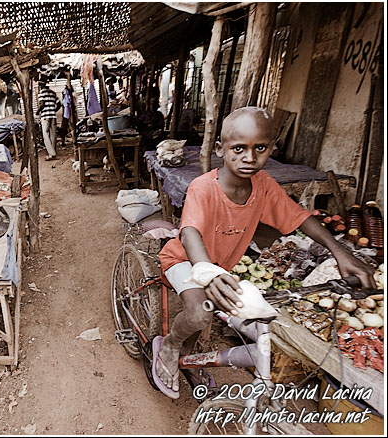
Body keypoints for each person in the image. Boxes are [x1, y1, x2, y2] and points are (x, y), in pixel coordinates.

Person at [152, 106, 376, 399]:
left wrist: (341, 252)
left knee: (231, 311)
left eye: (260, 148)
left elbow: (299, 217)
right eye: (239, 148)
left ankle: (188, 355)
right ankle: (169, 346)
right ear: (220, 149)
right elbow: (190, 231)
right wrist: (208, 272)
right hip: (184, 259)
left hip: (219, 265)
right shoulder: (203, 188)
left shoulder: (264, 186)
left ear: (272, 148)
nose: (249, 157)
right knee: (199, 311)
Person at [36, 81, 61, 161]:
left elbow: (42, 104)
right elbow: (59, 104)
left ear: (40, 85)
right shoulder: (53, 93)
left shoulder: (41, 92)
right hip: (53, 116)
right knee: (53, 135)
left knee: (46, 135)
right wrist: (53, 110)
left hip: (45, 117)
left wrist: (37, 111)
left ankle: (52, 154)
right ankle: (53, 152)